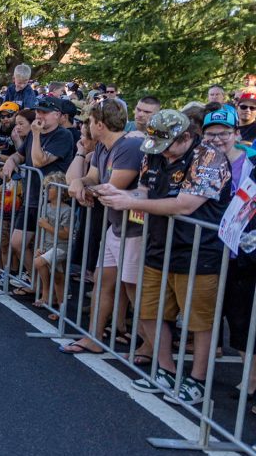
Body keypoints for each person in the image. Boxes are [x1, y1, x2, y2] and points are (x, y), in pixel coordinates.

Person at [95, 109, 233, 405]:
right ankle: (166, 371)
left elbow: (185, 205)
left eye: (168, 146)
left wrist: (130, 201)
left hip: (198, 251)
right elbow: (144, 191)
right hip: (158, 245)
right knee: (148, 310)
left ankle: (197, 381)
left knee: (199, 321)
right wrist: (121, 194)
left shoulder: (209, 157)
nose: (163, 153)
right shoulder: (154, 152)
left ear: (186, 137)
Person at [63, 99, 147, 357]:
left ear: (100, 124)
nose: (86, 126)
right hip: (116, 225)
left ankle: (153, 347)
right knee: (102, 281)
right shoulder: (101, 147)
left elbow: (115, 185)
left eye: (89, 122)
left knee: (134, 290)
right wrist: (80, 182)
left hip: (135, 228)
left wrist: (83, 188)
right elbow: (93, 178)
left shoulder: (130, 146)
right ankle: (93, 337)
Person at [1, 97, 75, 278]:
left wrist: (34, 135)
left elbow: (38, 161)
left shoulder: (63, 136)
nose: (39, 115)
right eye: (38, 111)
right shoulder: (36, 133)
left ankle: (48, 290)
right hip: (31, 197)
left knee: (47, 251)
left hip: (52, 202)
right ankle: (34, 280)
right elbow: (20, 155)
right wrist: (10, 161)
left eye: (44, 112)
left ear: (57, 115)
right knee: (17, 243)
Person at [33, 171, 72, 317]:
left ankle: (46, 294)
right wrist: (40, 247)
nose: (46, 191)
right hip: (48, 246)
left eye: (50, 188)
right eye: (45, 188)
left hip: (61, 247)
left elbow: (66, 234)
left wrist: (47, 226)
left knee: (38, 263)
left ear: (61, 190)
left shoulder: (67, 210)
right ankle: (60, 309)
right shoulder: (46, 207)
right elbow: (42, 231)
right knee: (58, 277)